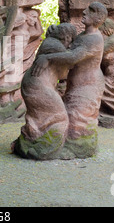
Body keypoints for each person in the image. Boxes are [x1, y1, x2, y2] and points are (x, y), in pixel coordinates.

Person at [31, 2, 108, 158]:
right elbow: (68, 47)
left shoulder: (94, 39)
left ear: (98, 18)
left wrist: (47, 57)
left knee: (79, 118)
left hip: (88, 85)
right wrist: (54, 34)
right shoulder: (83, 35)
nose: (84, 11)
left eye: (90, 10)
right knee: (69, 115)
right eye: (87, 8)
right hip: (76, 84)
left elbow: (73, 57)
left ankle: (80, 149)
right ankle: (63, 144)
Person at [13, 23, 77, 160]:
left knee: (40, 118)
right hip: (37, 86)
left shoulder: (52, 43)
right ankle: (45, 150)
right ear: (67, 37)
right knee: (60, 117)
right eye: (71, 40)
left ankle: (28, 143)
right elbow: (72, 60)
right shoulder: (53, 44)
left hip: (37, 84)